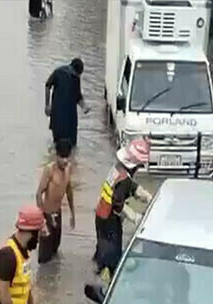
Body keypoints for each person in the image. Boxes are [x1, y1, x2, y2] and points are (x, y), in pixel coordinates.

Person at [94, 138, 153, 280]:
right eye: (139, 165)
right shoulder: (124, 180)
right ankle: (109, 278)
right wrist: (135, 216)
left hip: (100, 215)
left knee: (102, 247)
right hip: (109, 219)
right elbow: (118, 205)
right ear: (134, 165)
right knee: (112, 252)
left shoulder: (117, 168)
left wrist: (146, 196)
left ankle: (98, 268)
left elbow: (132, 187)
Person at [35, 139, 75, 264]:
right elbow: (38, 194)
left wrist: (73, 214)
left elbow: (69, 191)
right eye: (62, 157)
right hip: (47, 216)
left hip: (58, 215)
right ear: (56, 156)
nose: (65, 161)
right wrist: (42, 221)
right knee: (44, 257)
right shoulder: (49, 170)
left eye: (67, 157)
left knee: (55, 250)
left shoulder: (68, 169)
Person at [45, 58, 89, 148]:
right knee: (72, 146)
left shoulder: (57, 72)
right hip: (70, 120)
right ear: (79, 71)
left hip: (57, 117)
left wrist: (47, 105)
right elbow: (78, 97)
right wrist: (84, 107)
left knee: (56, 144)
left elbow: (47, 85)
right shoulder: (75, 78)